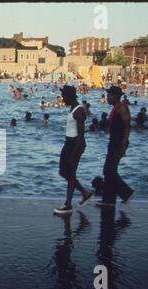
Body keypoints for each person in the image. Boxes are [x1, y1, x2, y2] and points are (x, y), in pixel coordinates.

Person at [54, 85, 93, 214]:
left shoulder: (79, 111)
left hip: (75, 144)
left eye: (64, 97)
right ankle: (85, 193)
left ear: (70, 97)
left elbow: (81, 136)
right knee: (63, 172)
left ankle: (68, 204)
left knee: (70, 174)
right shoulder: (73, 109)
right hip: (68, 142)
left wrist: (74, 152)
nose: (62, 99)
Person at [96, 86, 134, 207]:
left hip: (118, 143)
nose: (107, 98)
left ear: (115, 96)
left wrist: (123, 145)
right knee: (109, 171)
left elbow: (127, 127)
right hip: (114, 142)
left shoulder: (122, 108)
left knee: (109, 170)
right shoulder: (116, 108)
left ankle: (126, 192)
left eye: (109, 96)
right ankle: (109, 200)